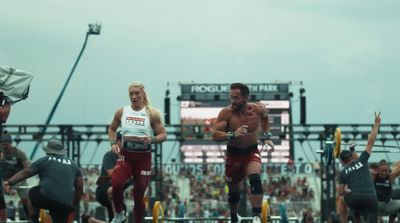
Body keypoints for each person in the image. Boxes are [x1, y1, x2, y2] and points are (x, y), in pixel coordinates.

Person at [212, 83, 274, 223]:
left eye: (236, 98)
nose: (232, 101)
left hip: (251, 151)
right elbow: (215, 135)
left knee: (255, 177)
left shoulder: (257, 110)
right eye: (231, 98)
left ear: (245, 98)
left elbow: (265, 118)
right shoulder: (226, 113)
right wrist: (232, 135)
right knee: (234, 191)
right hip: (233, 155)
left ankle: (257, 216)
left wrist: (267, 137)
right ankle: (234, 217)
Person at [108, 81, 167, 223]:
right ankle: (119, 215)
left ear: (143, 94)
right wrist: (113, 143)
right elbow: (111, 129)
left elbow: (163, 135)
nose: (134, 97)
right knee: (116, 185)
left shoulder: (151, 113)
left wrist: (152, 139)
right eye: (131, 94)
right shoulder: (122, 112)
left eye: (137, 93)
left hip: (143, 159)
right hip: (126, 155)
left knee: (138, 194)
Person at [2, 138, 83, 223]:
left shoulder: (45, 160)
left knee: (31, 193)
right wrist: (73, 204)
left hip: (45, 197)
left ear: (48, 151)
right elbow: (79, 187)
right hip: (64, 202)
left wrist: (9, 182)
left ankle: (34, 220)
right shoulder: (74, 165)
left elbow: (27, 172)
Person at [337, 112, 381, 223]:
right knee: (371, 212)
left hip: (355, 199)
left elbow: (340, 192)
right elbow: (371, 141)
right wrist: (376, 124)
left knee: (343, 200)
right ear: (352, 157)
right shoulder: (362, 161)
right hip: (371, 198)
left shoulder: (343, 172)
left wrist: (347, 191)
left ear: (342, 162)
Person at [95, 131, 130, 222]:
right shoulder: (109, 155)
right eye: (123, 141)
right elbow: (111, 173)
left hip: (117, 195)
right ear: (118, 142)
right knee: (114, 190)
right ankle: (118, 216)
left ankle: (91, 221)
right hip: (103, 190)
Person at [0, 133, 31, 220]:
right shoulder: (0, 154)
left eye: (6, 144)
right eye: (2, 144)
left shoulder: (19, 153)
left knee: (26, 198)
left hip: (19, 179)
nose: (4, 147)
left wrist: (27, 171)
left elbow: (28, 168)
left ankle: (29, 217)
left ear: (10, 144)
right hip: (4, 180)